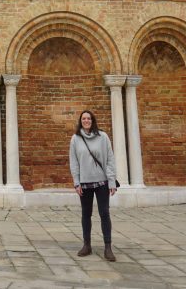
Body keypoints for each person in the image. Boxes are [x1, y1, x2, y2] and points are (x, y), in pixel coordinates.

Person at [69, 110, 117, 261]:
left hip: (102, 182)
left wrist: (111, 181)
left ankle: (108, 247)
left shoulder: (103, 137)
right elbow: (74, 162)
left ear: (93, 120)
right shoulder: (75, 139)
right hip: (84, 183)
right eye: (84, 119)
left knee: (104, 213)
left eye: (89, 118)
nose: (86, 121)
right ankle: (87, 245)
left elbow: (110, 159)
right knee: (86, 214)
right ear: (80, 121)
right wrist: (76, 182)